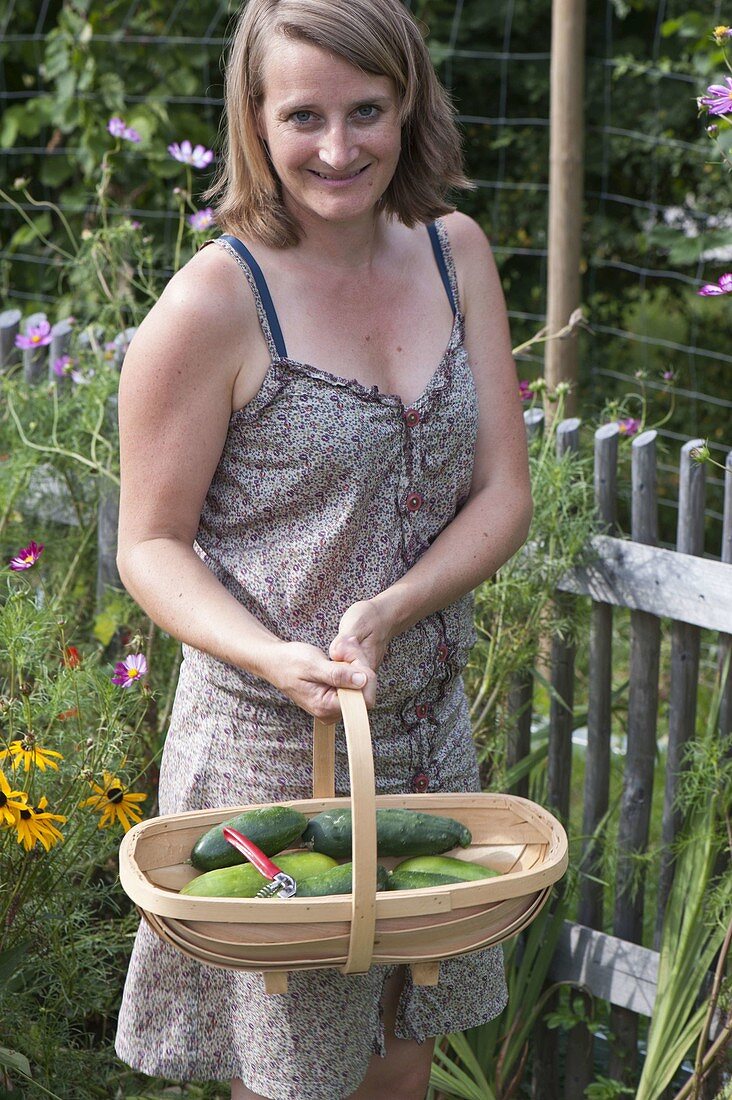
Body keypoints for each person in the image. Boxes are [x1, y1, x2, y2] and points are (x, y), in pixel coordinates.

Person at [113, 0, 532, 1097]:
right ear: (254, 118)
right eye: (303, 115)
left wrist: (397, 606)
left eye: (367, 111)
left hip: (427, 738)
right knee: (293, 1080)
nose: (338, 148)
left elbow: (503, 494)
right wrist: (267, 653)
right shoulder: (214, 302)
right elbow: (150, 544)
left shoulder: (455, 255)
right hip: (271, 765)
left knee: (404, 1061)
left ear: (409, 107)